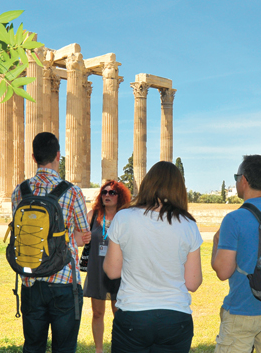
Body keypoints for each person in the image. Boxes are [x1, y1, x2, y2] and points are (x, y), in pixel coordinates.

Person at [104, 161, 203, 353]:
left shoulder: (124, 217)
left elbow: (112, 271)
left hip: (133, 313)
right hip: (176, 316)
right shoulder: (189, 224)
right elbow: (193, 283)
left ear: (148, 183)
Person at [11, 132, 91, 353]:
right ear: (58, 155)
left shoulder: (20, 191)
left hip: (30, 279)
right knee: (64, 348)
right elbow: (83, 235)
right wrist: (70, 237)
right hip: (64, 281)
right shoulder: (72, 192)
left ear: (34, 157)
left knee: (33, 346)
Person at [211, 154, 261, 353]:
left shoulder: (234, 218)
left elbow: (223, 271)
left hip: (242, 311)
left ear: (244, 180)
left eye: (237, 176)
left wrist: (216, 243)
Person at [84, 180, 131, 353]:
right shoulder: (92, 215)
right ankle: (99, 349)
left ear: (120, 197)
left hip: (119, 270)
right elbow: (79, 238)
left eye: (112, 193)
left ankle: (119, 347)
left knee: (118, 313)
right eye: (104, 192)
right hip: (97, 269)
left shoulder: (126, 217)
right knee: (97, 313)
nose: (107, 196)